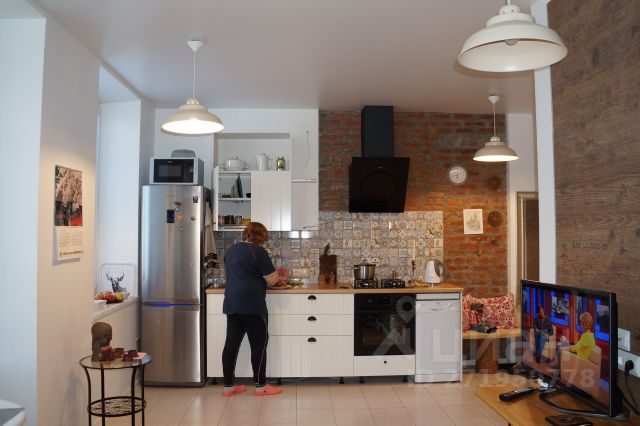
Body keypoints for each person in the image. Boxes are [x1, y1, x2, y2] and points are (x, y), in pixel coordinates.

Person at [221, 222, 282, 397]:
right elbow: (272, 280)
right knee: (259, 345)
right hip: (252, 305)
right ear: (261, 237)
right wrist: (278, 275)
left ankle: (229, 387)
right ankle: (261, 386)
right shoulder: (258, 251)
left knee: (231, 345)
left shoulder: (231, 251)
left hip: (232, 303)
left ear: (246, 233)